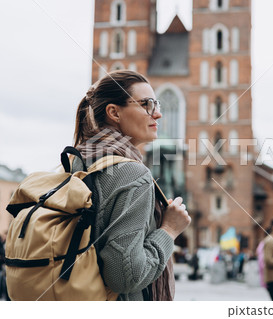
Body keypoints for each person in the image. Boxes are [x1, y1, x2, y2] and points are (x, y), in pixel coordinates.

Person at [72, 70, 191, 301]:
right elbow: (125, 277)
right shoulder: (132, 174)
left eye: (156, 104)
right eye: (146, 104)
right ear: (114, 112)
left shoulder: (78, 159)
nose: (157, 114)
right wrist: (169, 230)